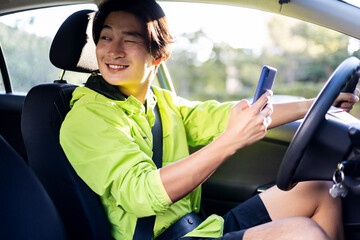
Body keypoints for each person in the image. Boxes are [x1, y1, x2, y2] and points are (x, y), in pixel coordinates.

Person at [59, 0, 359, 239]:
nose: (113, 50)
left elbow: (222, 116)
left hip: (201, 229)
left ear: (159, 55)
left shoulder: (161, 102)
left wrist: (314, 104)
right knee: (302, 232)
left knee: (320, 190)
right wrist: (230, 142)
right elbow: (142, 195)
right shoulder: (87, 117)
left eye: (130, 39)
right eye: (105, 37)